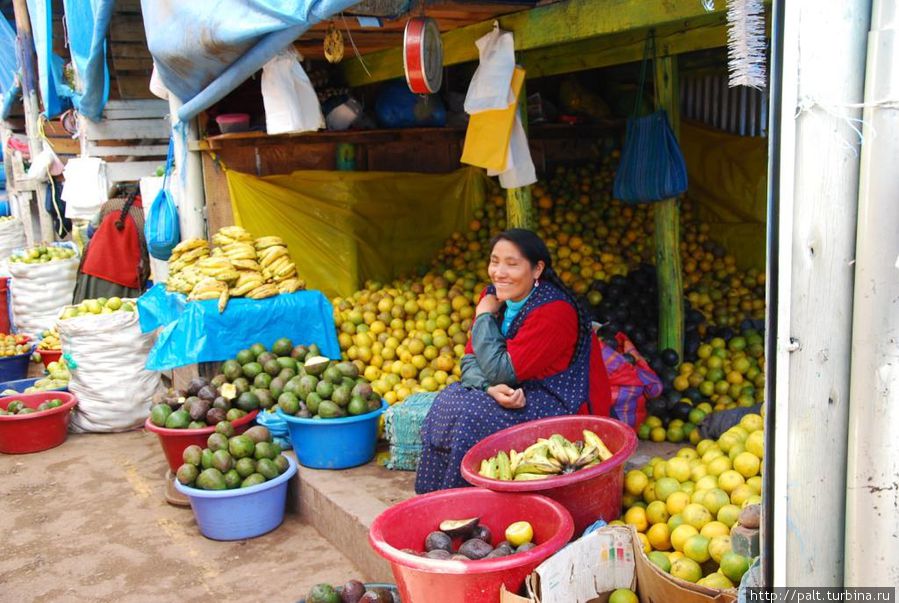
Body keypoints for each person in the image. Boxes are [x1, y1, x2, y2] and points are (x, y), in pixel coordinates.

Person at [415, 228, 612, 494]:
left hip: (554, 399)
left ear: (537, 269)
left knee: (471, 416)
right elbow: (470, 358)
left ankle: (470, 502)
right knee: (449, 400)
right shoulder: (495, 296)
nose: (499, 272)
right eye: (495, 262)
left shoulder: (555, 311)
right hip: (508, 389)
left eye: (512, 264)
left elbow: (503, 371)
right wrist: (488, 388)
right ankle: (437, 497)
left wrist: (483, 316)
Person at [73, 190, 150, 303]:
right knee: (120, 314)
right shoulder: (145, 213)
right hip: (126, 277)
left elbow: (90, 231)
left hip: (93, 267)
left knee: (89, 313)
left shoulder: (110, 205)